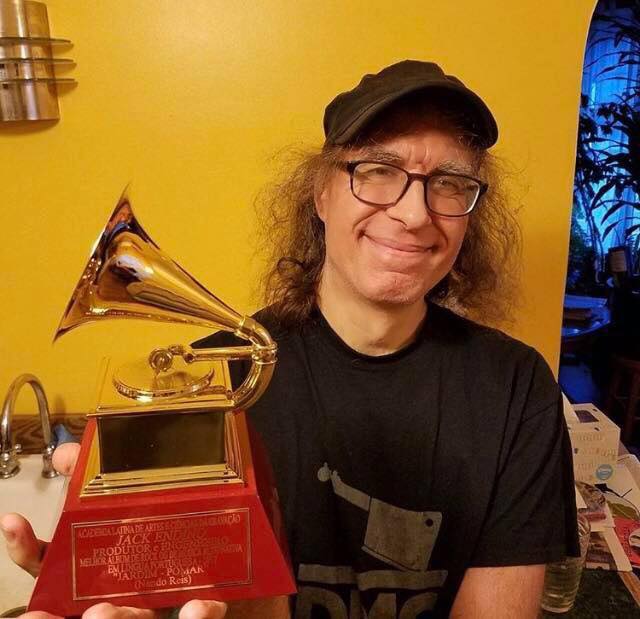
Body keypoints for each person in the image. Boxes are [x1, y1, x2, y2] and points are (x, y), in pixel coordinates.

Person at [2, 60, 579, 619]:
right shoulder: (206, 379)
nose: (413, 214)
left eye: (450, 184)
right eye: (378, 170)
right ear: (321, 193)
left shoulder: (518, 385)